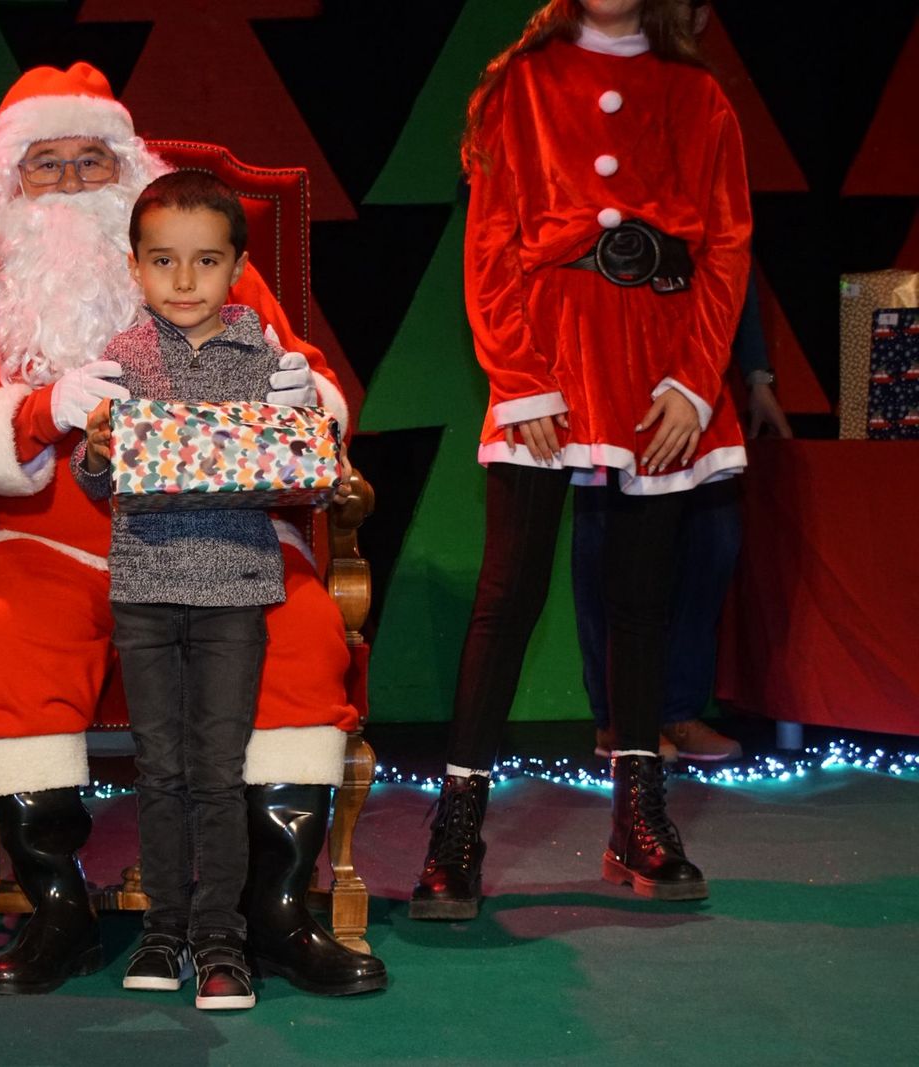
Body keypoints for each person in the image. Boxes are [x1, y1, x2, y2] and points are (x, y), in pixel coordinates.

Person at [0, 63, 384, 996]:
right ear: (4, 189)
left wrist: (311, 402)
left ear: (128, 174)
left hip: (225, 543)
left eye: (90, 162)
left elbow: (318, 393)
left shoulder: (212, 271)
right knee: (6, 637)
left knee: (303, 632)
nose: (69, 185)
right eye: (45, 165)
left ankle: (274, 909)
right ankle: (59, 909)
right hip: (50, 548)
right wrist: (33, 411)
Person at [409, 0, 751, 922]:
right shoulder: (522, 82)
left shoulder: (698, 94)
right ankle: (459, 823)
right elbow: (490, 242)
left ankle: (637, 819)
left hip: (658, 361)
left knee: (641, 597)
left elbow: (724, 245)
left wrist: (693, 382)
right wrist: (521, 376)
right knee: (507, 593)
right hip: (549, 352)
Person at [72, 172, 352, 1009]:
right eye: (163, 262)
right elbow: (99, 486)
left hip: (235, 584)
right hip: (146, 586)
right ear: (136, 268)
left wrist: (312, 436)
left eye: (204, 262)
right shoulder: (120, 360)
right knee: (160, 769)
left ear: (235, 269)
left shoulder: (267, 360)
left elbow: (302, 477)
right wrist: (95, 450)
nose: (184, 282)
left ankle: (221, 940)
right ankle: (164, 929)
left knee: (218, 772)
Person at [574, 0, 789, 764]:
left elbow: (729, 252)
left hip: (697, 366)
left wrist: (750, 372)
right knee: (607, 534)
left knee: (711, 534)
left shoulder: (702, 97)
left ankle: (676, 705)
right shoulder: (575, 89)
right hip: (609, 356)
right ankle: (619, 718)